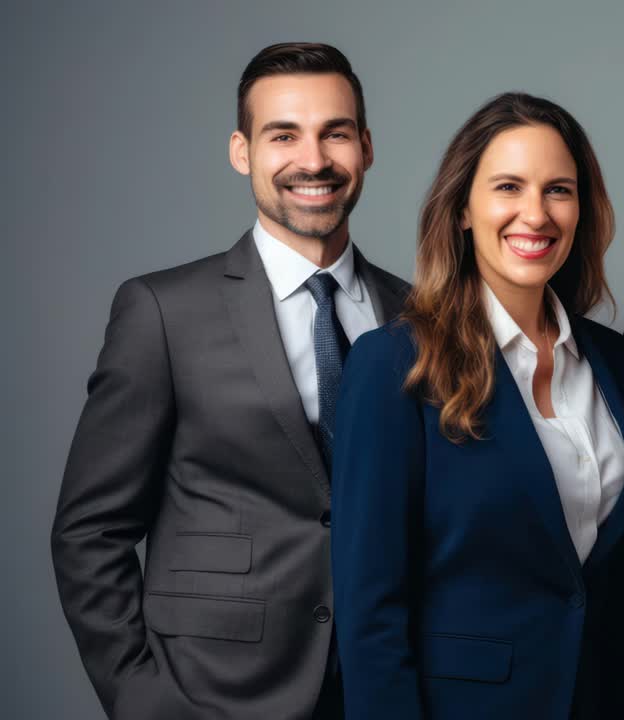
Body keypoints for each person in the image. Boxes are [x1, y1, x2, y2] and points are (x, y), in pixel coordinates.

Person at [50, 42, 407, 719]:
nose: (313, 160)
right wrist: (140, 695)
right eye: (284, 135)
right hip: (213, 694)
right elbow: (88, 532)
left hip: (379, 692)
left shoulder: (421, 316)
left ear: (365, 146)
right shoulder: (162, 312)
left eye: (335, 133)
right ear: (241, 151)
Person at [330, 92, 624, 720]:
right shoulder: (393, 363)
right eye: (508, 186)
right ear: (463, 210)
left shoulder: (615, 358)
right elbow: (370, 612)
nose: (536, 214)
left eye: (559, 189)